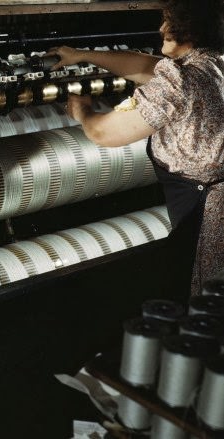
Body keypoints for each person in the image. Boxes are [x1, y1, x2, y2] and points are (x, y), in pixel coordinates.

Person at [46, 0, 224, 296]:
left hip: (206, 216)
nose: (161, 29)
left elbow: (103, 134)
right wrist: (81, 55)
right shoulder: (213, 63)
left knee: (203, 299)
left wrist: (82, 112)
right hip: (208, 201)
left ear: (187, 29)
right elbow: (142, 65)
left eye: (168, 23)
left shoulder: (180, 82)